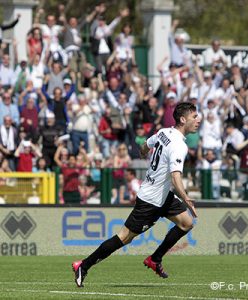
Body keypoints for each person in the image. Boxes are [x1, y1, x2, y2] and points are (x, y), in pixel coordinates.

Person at [72, 102, 200, 287]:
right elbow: (175, 177)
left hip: (161, 195)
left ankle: (155, 259)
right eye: (194, 117)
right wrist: (186, 198)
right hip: (151, 200)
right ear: (182, 119)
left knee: (186, 223)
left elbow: (146, 145)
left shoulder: (164, 132)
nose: (198, 120)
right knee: (124, 238)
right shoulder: (179, 145)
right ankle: (83, 265)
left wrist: (143, 153)